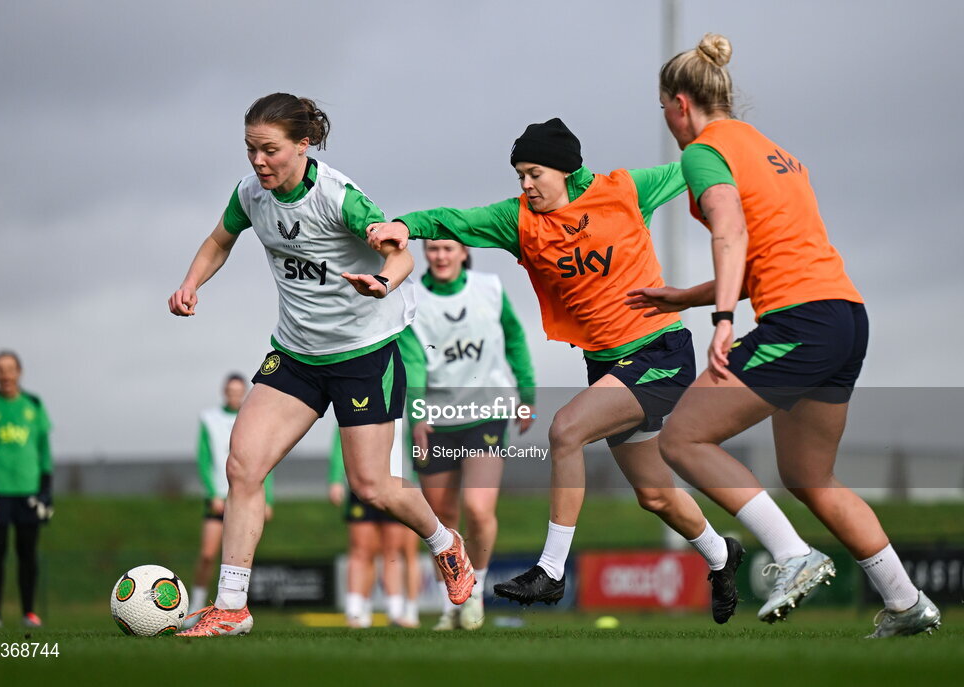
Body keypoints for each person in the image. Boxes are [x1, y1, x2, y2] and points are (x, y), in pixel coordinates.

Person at [366, 118, 744, 624]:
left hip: (660, 352)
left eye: (534, 173)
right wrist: (404, 226)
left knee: (565, 430)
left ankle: (551, 570)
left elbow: (694, 167)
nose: (525, 184)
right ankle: (723, 557)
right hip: (608, 365)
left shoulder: (625, 190)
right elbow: (453, 220)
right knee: (655, 495)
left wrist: (730, 141)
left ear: (565, 170)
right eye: (519, 174)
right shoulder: (517, 220)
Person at [631, 33, 940, 636]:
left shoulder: (703, 150)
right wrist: (689, 297)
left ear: (679, 104)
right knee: (808, 476)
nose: (667, 122)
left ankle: (793, 555)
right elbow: (768, 257)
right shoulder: (775, 151)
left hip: (800, 321)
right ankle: (908, 605)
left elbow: (729, 234)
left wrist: (721, 320)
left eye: (663, 110)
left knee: (683, 440)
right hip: (845, 316)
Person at [169, 93, 475, 637]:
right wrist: (191, 283)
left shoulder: (339, 198)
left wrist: (382, 280)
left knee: (373, 485)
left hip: (365, 354)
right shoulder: (250, 195)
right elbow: (220, 240)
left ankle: (445, 544)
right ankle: (232, 607)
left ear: (303, 146)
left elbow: (400, 253)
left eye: (270, 150)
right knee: (242, 466)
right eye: (250, 150)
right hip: (295, 355)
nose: (258, 162)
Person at [400, 239, 535, 630]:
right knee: (439, 520)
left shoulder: (489, 288)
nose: (440, 256)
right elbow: (412, 359)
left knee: (478, 509)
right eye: (434, 249)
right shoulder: (412, 297)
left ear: (463, 252)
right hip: (437, 418)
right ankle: (451, 600)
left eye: (448, 248)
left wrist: (526, 393)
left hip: (487, 413)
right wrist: (418, 413)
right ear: (425, 253)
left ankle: (474, 594)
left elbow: (515, 339)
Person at [184, 374, 275, 627]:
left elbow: (266, 461)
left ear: (244, 393)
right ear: (224, 392)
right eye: (230, 391)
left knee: (242, 556)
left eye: (239, 391)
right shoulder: (209, 419)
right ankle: (196, 608)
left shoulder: (255, 418)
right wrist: (213, 492)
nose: (234, 395)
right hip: (219, 500)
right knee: (207, 554)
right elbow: (203, 459)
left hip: (246, 501)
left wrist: (269, 499)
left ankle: (233, 608)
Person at [0, 350, 53, 629]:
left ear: (19, 372)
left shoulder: (33, 404)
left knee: (27, 553)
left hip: (28, 489)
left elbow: (43, 448)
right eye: (0, 369)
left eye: (11, 369)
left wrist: (46, 489)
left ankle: (29, 613)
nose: (6, 374)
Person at [328, 427, 420, 628]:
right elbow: (341, 439)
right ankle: (356, 610)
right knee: (361, 548)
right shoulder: (358, 399)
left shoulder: (404, 406)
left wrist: (415, 478)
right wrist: (335, 478)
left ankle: (395, 611)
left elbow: (416, 445)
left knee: (392, 550)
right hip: (362, 485)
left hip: (395, 484)